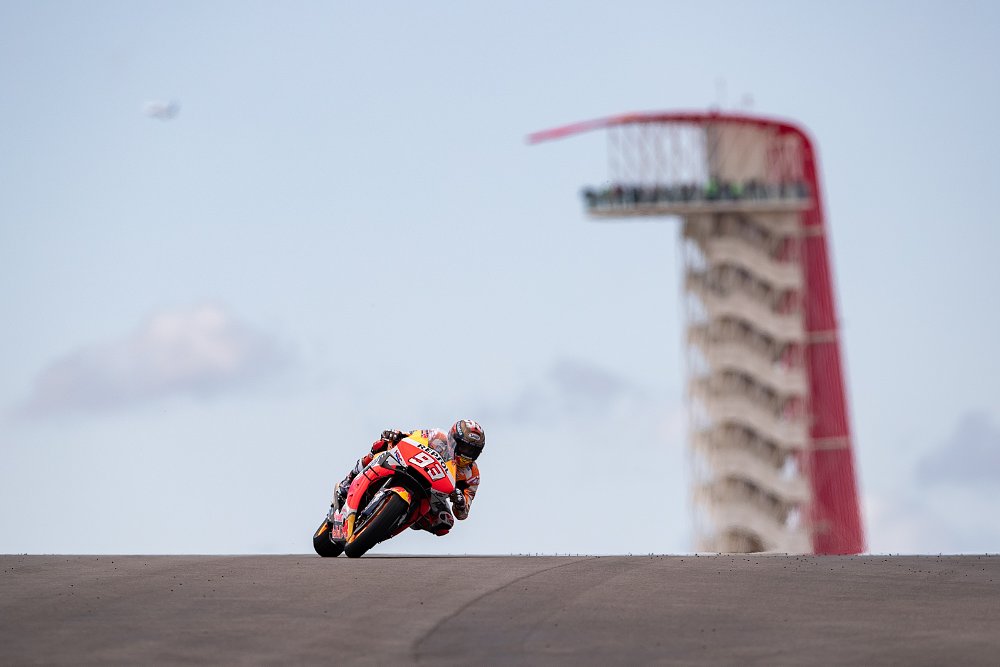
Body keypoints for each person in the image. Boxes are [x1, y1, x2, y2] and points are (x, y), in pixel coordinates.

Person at [333, 419, 485, 536]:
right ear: (453, 440)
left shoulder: (472, 475)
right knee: (381, 445)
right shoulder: (438, 436)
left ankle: (403, 518)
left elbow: (463, 514)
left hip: (432, 493)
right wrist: (397, 434)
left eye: (473, 451)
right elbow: (412, 436)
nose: (467, 454)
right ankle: (350, 479)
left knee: (445, 522)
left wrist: (459, 503)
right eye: (464, 447)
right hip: (410, 466)